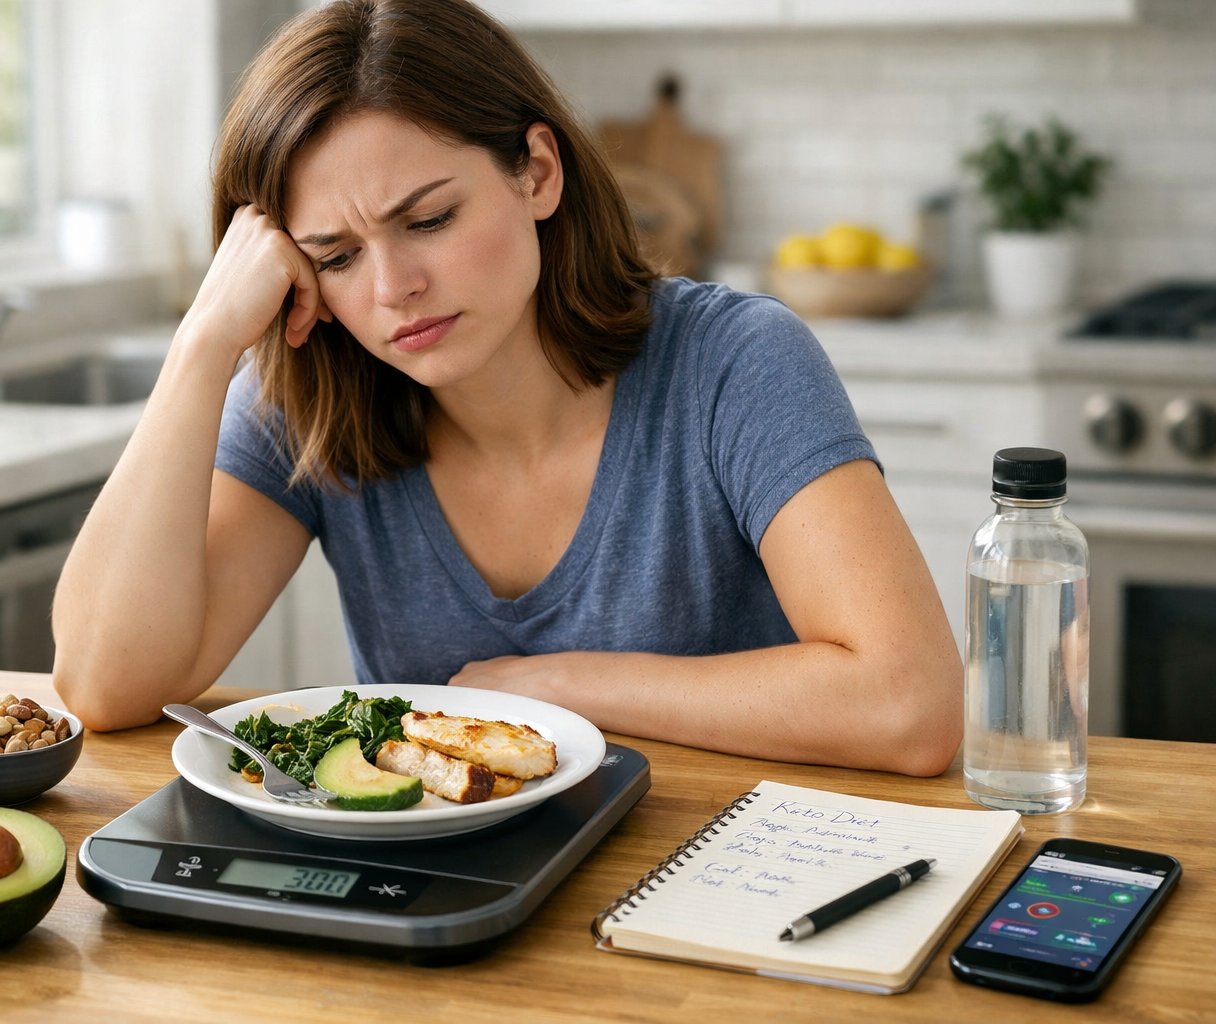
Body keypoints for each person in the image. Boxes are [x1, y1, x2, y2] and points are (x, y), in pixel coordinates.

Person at [51, 0, 962, 776]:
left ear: (537, 171)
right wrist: (203, 347)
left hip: (721, 888)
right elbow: (103, 684)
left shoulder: (734, 362)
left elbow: (909, 704)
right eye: (334, 255)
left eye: (431, 219)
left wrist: (548, 684)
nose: (390, 288)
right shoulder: (312, 402)